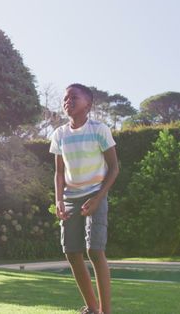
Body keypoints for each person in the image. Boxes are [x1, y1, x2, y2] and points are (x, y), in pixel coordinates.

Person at [49, 83, 119, 314]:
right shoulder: (59, 134)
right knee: (71, 251)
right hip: (70, 198)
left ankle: (105, 311)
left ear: (88, 104)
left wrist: (99, 198)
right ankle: (91, 307)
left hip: (94, 195)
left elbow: (114, 167)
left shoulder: (99, 130)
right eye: (65, 98)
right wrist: (59, 200)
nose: (68, 101)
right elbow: (59, 172)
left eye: (74, 97)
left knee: (95, 250)